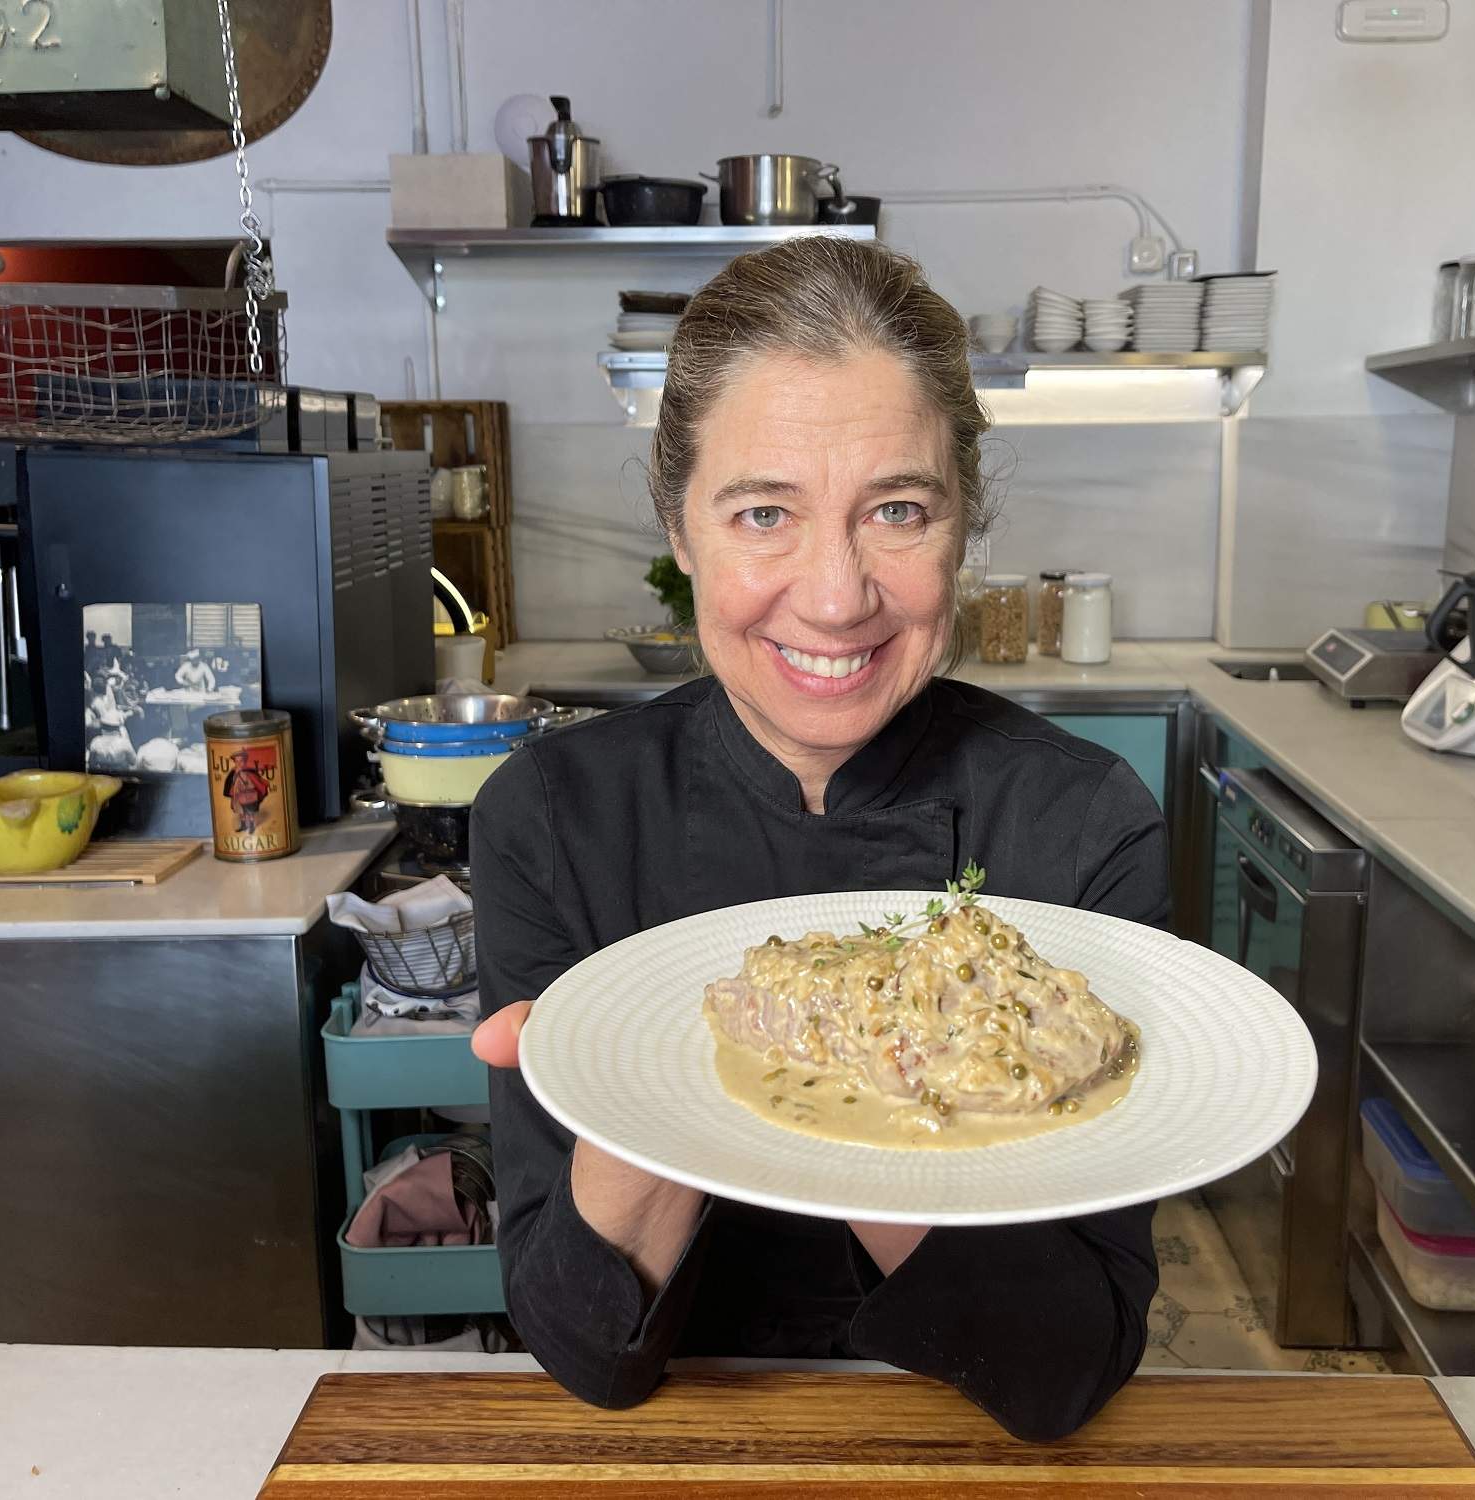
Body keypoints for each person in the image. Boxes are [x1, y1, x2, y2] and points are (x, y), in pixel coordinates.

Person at [468, 237, 1165, 1443]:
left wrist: (881, 1051)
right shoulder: (554, 816)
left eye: (896, 510)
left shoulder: (1081, 821)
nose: (836, 596)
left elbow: (1066, 1372)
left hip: (969, 1448)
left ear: (962, 527)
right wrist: (639, 1095)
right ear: (678, 533)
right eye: (762, 513)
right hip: (677, 1449)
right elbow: (578, 1346)